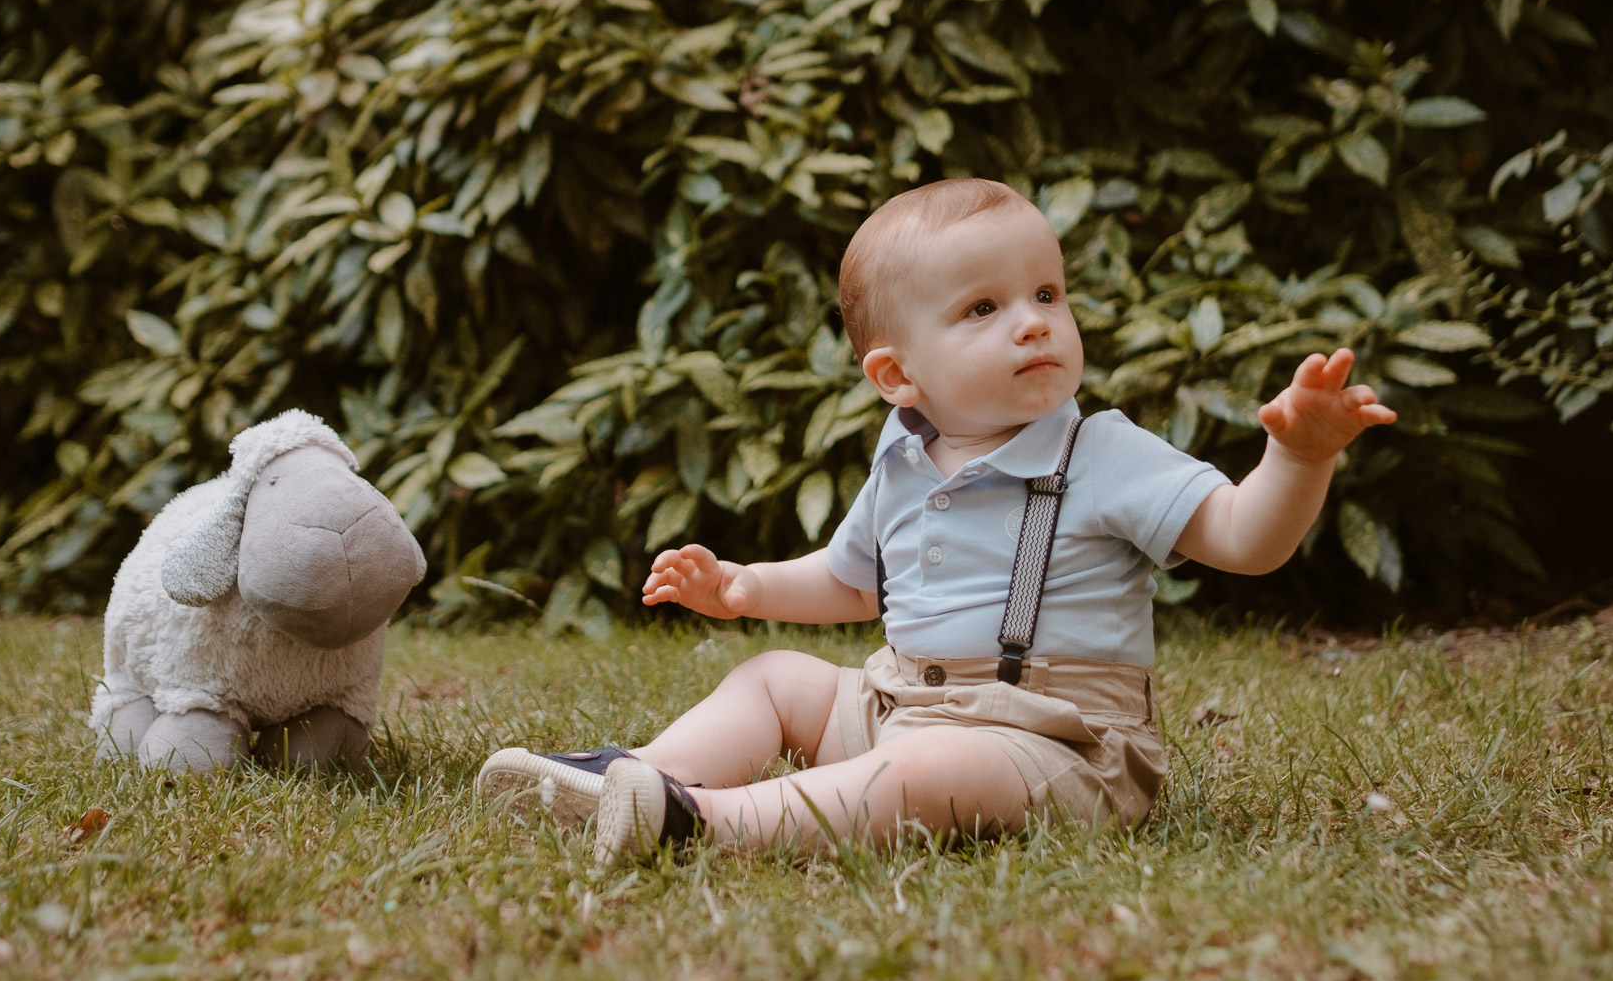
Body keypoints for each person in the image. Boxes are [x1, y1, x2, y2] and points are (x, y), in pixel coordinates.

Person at [477, 178, 1397, 864]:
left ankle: (702, 824)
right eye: (984, 308)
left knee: (934, 770)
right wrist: (743, 588)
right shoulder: (904, 457)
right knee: (773, 677)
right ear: (897, 376)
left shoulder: (1103, 452)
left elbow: (1247, 539)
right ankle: (623, 777)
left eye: (1047, 294)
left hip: (1056, 744)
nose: (1034, 324)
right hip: (903, 701)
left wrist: (1299, 458)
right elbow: (851, 583)